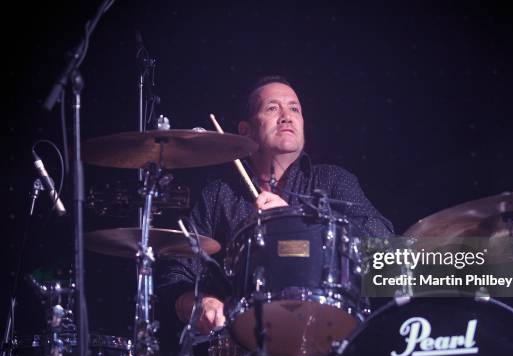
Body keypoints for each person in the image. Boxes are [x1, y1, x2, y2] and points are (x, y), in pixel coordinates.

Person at [161, 75, 394, 333]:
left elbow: (388, 252)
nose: (286, 116)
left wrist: (300, 220)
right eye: (273, 108)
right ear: (245, 130)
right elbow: (176, 276)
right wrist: (197, 304)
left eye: (294, 108)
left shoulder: (333, 180)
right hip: (241, 352)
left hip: (328, 343)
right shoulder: (218, 195)